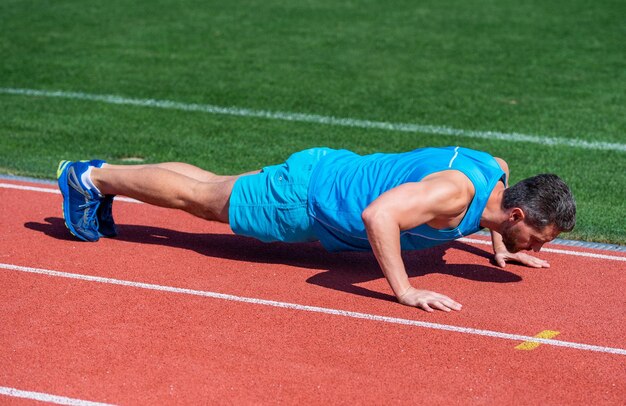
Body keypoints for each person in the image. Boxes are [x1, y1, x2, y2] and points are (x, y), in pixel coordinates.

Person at [56, 146, 576, 312]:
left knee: (212, 188)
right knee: (205, 202)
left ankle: (101, 180)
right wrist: (406, 291)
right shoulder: (454, 195)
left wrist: (499, 248)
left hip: (326, 172)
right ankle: (90, 177)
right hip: (306, 199)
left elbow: (500, 173)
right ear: (517, 215)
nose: (538, 246)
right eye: (537, 236)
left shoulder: (496, 177)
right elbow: (380, 216)